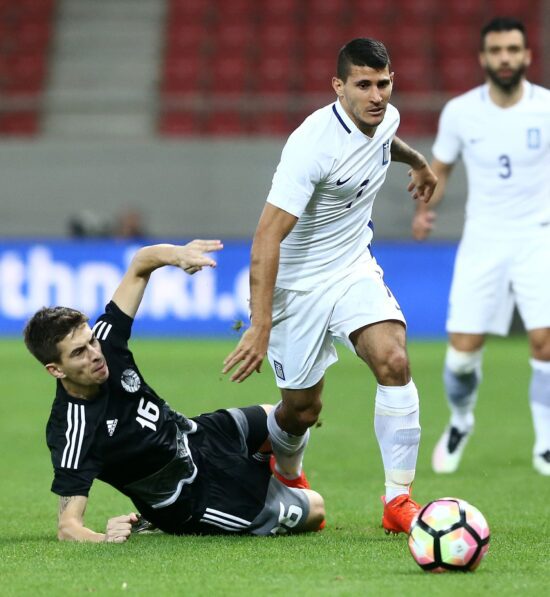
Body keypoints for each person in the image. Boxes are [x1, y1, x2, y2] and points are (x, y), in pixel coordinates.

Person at [223, 38, 437, 534]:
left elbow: (385, 140)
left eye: (383, 83)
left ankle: (398, 501)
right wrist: (260, 323)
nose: (376, 96)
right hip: (295, 287)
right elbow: (266, 238)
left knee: (394, 360)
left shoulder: (386, 117)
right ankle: (287, 473)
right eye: (363, 85)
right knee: (301, 409)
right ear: (338, 86)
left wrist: (418, 162)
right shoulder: (312, 146)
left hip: (351, 266)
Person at [23, 241, 325, 543]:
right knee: (315, 509)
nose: (95, 354)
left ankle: (285, 476)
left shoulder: (107, 342)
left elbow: (140, 263)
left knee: (277, 417)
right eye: (79, 352)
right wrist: (105, 538)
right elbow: (68, 527)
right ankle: (247, 491)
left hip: (197, 436)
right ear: (56, 370)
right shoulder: (73, 430)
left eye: (91, 341)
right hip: (191, 496)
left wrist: (177, 255)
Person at [412, 17, 550, 476]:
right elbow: (440, 170)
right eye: (496, 51)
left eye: (512, 49)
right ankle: (460, 420)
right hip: (484, 238)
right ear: (483, 58)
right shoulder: (460, 112)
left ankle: (546, 443)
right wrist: (425, 208)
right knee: (462, 351)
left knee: (545, 341)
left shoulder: (546, 108)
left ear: (527, 55)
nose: (504, 58)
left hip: (539, 234)